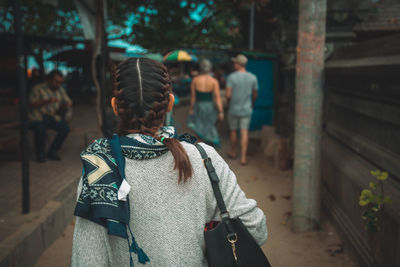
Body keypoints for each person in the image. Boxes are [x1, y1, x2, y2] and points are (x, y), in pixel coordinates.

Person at [71, 58, 267, 267]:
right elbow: (256, 229)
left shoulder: (100, 168)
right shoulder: (204, 157)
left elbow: (87, 259)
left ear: (115, 107)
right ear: (170, 104)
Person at [29, 70, 72, 162]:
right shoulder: (38, 88)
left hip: (51, 116)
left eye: (60, 82)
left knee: (65, 128)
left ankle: (53, 151)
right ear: (49, 80)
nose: (58, 84)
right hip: (37, 116)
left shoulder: (60, 90)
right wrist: (46, 101)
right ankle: (40, 154)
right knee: (40, 128)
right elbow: (31, 104)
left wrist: (67, 104)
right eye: (56, 82)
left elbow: (67, 101)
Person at [226, 54, 258, 165]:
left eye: (235, 62)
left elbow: (228, 95)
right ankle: (243, 157)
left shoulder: (231, 77)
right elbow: (255, 94)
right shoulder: (253, 77)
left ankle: (233, 152)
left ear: (238, 64)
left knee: (233, 130)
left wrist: (229, 104)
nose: (234, 64)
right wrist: (251, 104)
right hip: (246, 109)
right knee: (244, 132)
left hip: (234, 109)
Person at [187, 59, 224, 147]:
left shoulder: (195, 80)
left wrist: (191, 109)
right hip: (210, 107)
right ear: (210, 68)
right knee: (209, 125)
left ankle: (200, 148)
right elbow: (217, 97)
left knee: (199, 127)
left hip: (198, 106)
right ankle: (209, 148)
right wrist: (221, 111)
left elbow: (193, 97)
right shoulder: (214, 81)